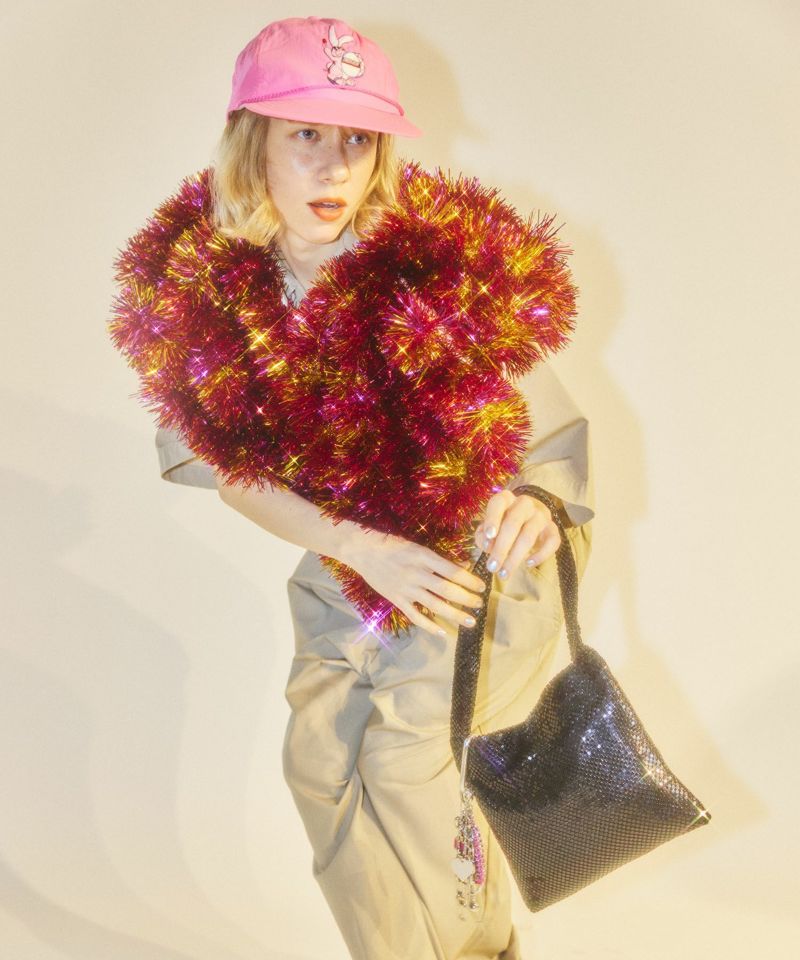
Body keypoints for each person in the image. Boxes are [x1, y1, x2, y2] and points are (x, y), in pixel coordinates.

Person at [121, 16, 595, 960]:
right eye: (307, 134)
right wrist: (358, 546)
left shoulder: (435, 267)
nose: (335, 166)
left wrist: (537, 502)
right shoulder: (207, 293)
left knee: (409, 761)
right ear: (252, 140)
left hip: (467, 570)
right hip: (348, 569)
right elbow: (233, 472)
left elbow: (549, 432)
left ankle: (480, 950)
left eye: (358, 138)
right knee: (318, 768)